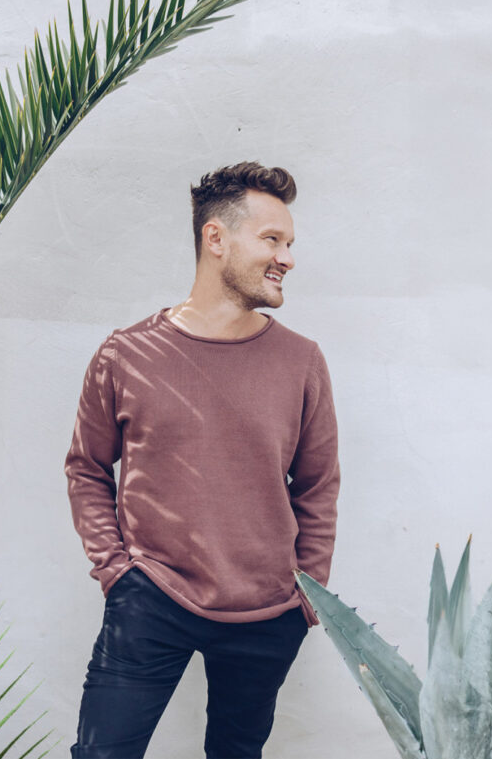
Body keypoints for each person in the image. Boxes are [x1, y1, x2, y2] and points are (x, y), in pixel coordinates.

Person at [65, 161, 341, 759]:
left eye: (290, 243)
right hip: (151, 598)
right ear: (215, 238)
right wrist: (116, 570)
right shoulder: (127, 354)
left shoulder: (302, 362)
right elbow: (87, 467)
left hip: (269, 609)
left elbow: (317, 484)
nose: (287, 258)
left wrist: (307, 593)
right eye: (272, 239)